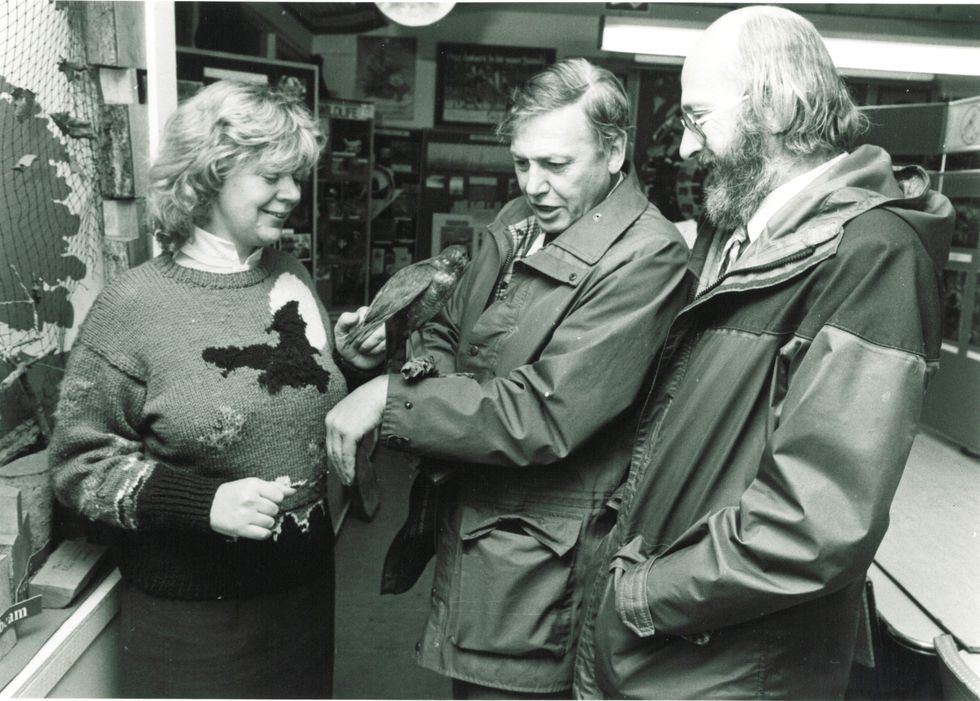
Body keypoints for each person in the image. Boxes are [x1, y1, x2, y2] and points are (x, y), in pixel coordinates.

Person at [573, 7, 955, 699]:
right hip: (676, 652)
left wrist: (644, 594)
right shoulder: (747, 235)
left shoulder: (869, 256)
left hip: (734, 665)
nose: (687, 149)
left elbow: (816, 521)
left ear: (773, 107)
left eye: (697, 118)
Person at [326, 58, 689, 698]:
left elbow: (544, 413)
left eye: (556, 165)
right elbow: (447, 333)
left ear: (614, 152)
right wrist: (395, 356)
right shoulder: (517, 220)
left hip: (542, 566)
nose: (535, 184)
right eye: (523, 162)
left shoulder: (647, 255)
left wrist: (392, 399)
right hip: (481, 531)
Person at [48, 80, 367, 699]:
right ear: (212, 172)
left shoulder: (290, 276)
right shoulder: (134, 305)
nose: (294, 194)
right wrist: (202, 503)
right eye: (274, 175)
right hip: (195, 621)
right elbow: (77, 465)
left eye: (298, 176)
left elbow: (286, 401)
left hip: (303, 594)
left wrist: (349, 365)